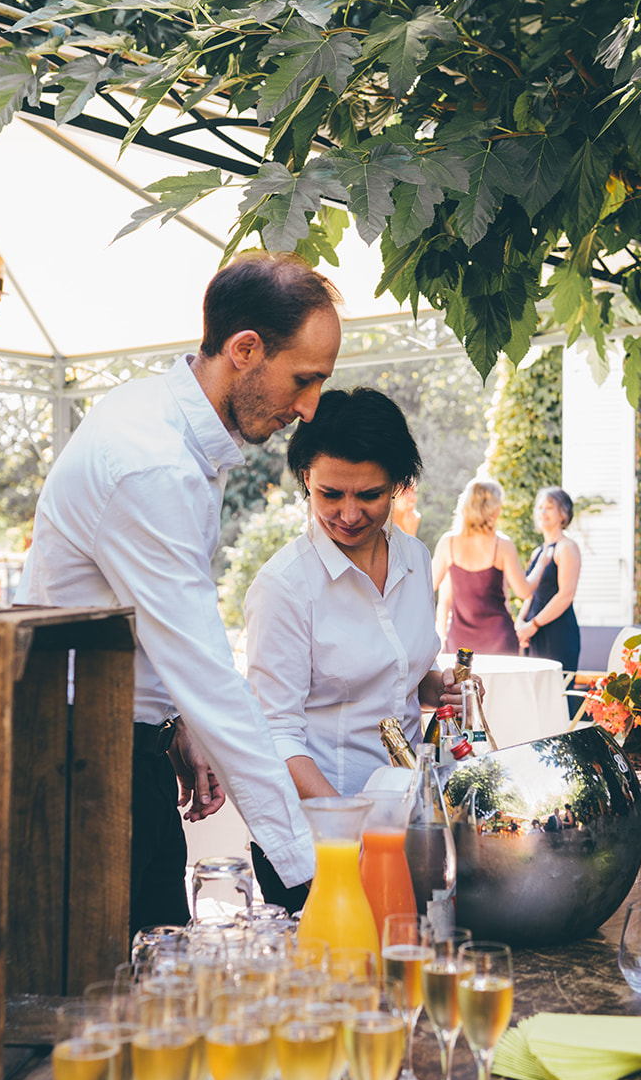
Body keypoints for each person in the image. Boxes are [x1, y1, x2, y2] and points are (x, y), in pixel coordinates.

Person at [16, 252, 341, 934]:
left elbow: (149, 619)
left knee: (153, 964)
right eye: (303, 381)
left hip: (123, 746)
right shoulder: (151, 462)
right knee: (117, 997)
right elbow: (206, 670)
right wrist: (311, 869)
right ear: (245, 349)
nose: (309, 409)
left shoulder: (169, 425)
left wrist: (176, 726)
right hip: (81, 763)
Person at [245, 388, 469, 907]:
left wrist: (440, 688)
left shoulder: (414, 560)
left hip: (406, 825)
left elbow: (400, 670)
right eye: (330, 494)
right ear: (306, 479)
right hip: (320, 842)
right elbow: (275, 733)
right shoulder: (285, 586)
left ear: (397, 486)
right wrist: (348, 827)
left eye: (368, 495)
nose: (348, 514)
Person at [431, 475, 533, 654]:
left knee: (461, 684)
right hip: (499, 640)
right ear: (495, 509)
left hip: (460, 646)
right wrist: (539, 567)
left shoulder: (448, 543)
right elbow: (524, 591)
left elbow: (426, 586)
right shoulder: (503, 545)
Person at [516, 488, 582, 692]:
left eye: (550, 508)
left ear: (564, 514)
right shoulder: (538, 552)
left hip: (558, 634)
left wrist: (533, 624)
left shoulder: (567, 547)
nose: (543, 512)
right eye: (540, 507)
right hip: (534, 632)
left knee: (555, 696)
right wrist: (521, 622)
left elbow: (565, 596)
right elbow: (530, 593)